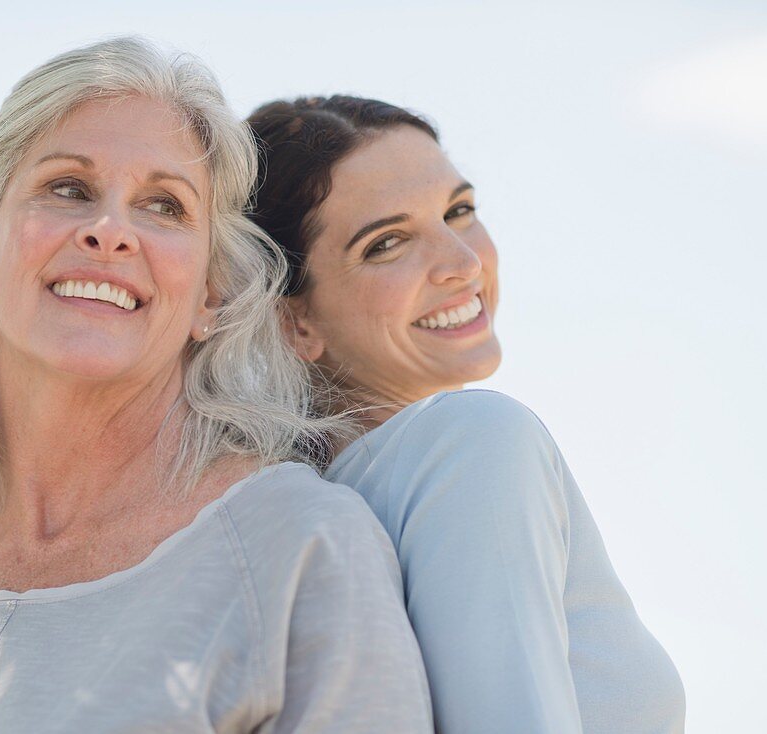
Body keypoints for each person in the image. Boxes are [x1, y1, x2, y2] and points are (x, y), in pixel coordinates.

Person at [0, 45, 434, 733]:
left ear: (211, 293)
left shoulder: (301, 547)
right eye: (68, 189)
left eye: (164, 206)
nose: (110, 232)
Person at [248, 95, 685, 733]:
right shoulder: (476, 442)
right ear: (293, 320)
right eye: (387, 243)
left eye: (459, 211)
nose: (463, 262)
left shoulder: (276, 521)